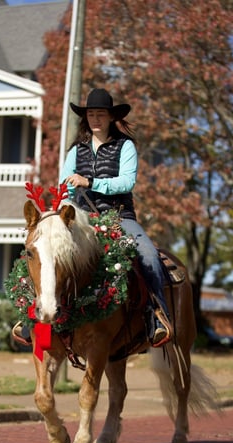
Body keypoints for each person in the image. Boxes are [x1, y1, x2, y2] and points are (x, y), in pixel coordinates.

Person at [60, 88, 173, 347]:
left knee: (148, 255)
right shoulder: (76, 150)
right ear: (85, 117)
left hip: (119, 217)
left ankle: (157, 316)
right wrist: (62, 203)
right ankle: (36, 315)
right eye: (91, 114)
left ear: (111, 117)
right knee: (46, 247)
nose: (95, 119)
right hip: (82, 219)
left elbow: (126, 182)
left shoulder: (125, 146)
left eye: (101, 114)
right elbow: (65, 186)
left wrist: (90, 181)